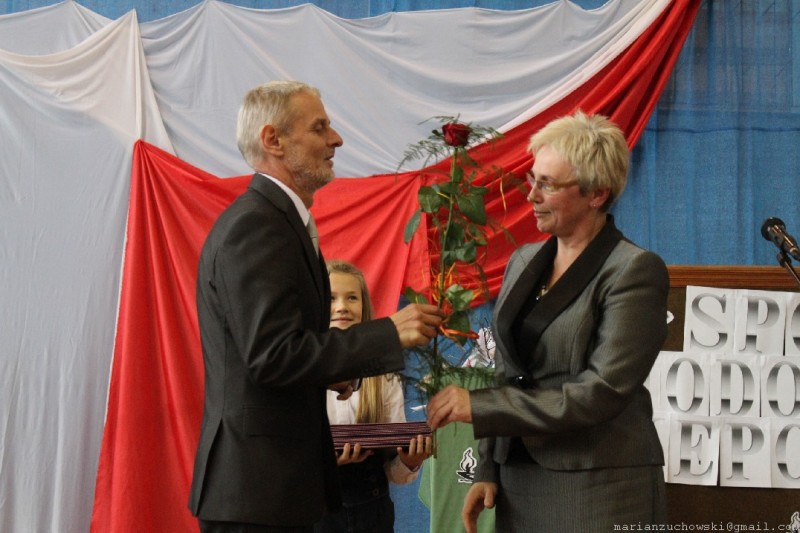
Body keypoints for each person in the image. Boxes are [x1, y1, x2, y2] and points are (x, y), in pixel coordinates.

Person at [188, 81, 444, 532]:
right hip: (258, 496)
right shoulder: (258, 226)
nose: (336, 139)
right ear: (273, 140)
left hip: (273, 491)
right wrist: (387, 332)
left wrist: (335, 373)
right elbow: (272, 355)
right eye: (319, 127)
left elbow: (274, 355)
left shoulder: (277, 222)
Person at [426, 110, 669, 532]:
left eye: (548, 184)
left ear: (597, 194)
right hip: (518, 484)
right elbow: (508, 373)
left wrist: (480, 407)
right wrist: (488, 467)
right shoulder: (523, 260)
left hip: (598, 488)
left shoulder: (633, 270)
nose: (531, 196)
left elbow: (601, 392)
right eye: (532, 179)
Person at [314, 259, 433, 533]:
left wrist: (410, 461)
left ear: (364, 306)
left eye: (352, 297)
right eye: (331, 298)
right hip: (317, 512)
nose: (342, 306)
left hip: (372, 511)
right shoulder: (302, 370)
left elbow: (394, 471)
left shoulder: (383, 374)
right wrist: (327, 463)